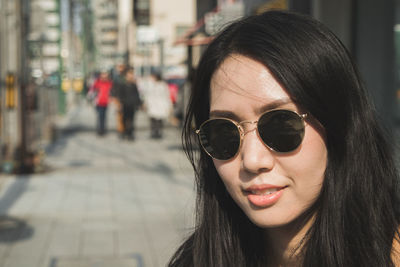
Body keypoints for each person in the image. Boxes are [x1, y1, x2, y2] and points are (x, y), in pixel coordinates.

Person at [168, 10, 400, 267]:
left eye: (281, 125)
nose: (252, 160)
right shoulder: (197, 260)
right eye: (224, 132)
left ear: (339, 124)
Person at [143, 72, 172, 139]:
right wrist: (145, 103)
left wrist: (169, 105)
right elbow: (147, 95)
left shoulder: (163, 85)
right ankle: (154, 132)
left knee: (160, 119)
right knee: (153, 119)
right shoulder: (150, 85)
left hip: (161, 104)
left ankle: (159, 132)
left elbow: (167, 95)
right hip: (152, 104)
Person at [119, 67, 142, 140]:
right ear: (126, 75)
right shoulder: (123, 84)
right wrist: (120, 104)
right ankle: (124, 132)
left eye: (132, 74)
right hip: (125, 105)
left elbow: (137, 95)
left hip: (132, 105)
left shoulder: (134, 84)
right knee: (125, 119)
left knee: (132, 119)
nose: (131, 76)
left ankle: (130, 133)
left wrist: (139, 103)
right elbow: (120, 95)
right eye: (129, 74)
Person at [88, 70, 113, 136]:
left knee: (104, 116)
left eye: (105, 75)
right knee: (100, 115)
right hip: (98, 102)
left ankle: (102, 129)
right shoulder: (97, 83)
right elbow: (91, 91)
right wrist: (92, 98)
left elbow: (111, 92)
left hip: (105, 102)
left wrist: (111, 98)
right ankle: (100, 130)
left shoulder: (109, 83)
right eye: (103, 75)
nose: (104, 76)